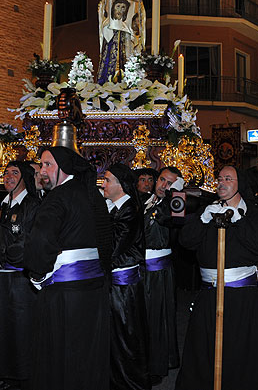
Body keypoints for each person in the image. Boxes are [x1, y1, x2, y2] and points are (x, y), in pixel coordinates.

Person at [176, 166, 258, 389]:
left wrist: (238, 219)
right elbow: (186, 241)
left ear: (240, 183)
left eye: (228, 179)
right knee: (203, 349)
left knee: (239, 350)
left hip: (242, 297)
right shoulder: (208, 210)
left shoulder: (254, 213)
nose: (221, 183)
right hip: (209, 294)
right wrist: (202, 219)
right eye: (219, 178)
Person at [23, 146, 112, 390]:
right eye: (41, 165)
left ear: (64, 168)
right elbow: (107, 239)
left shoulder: (58, 197)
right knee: (88, 352)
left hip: (64, 292)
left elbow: (40, 242)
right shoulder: (91, 194)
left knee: (61, 353)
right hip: (94, 289)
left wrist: (38, 275)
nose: (42, 171)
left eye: (48, 165)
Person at [0, 161, 40, 390]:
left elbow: (28, 243)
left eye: (15, 173)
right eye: (6, 173)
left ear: (25, 178)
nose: (8, 177)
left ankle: (25, 381)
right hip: (1, 279)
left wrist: (1, 259)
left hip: (21, 280)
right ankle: (8, 378)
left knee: (22, 330)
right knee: (3, 330)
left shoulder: (33, 206)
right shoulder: (1, 206)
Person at [101, 163, 151, 390]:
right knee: (113, 337)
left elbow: (113, 248)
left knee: (126, 337)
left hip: (124, 287)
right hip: (113, 283)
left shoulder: (129, 209)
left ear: (121, 186)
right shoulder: (112, 208)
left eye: (108, 180)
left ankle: (130, 383)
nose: (104, 183)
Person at [142, 166, 184, 381]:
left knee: (157, 318)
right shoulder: (146, 201)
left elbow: (175, 220)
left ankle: (156, 365)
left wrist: (175, 195)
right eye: (161, 180)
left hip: (158, 271)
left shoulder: (174, 206)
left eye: (169, 183)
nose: (162, 185)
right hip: (141, 269)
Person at [97, 0, 145, 84]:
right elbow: (106, 8)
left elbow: (139, 10)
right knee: (111, 53)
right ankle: (110, 80)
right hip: (114, 30)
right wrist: (102, 6)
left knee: (128, 53)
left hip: (128, 30)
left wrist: (135, 26)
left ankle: (130, 79)